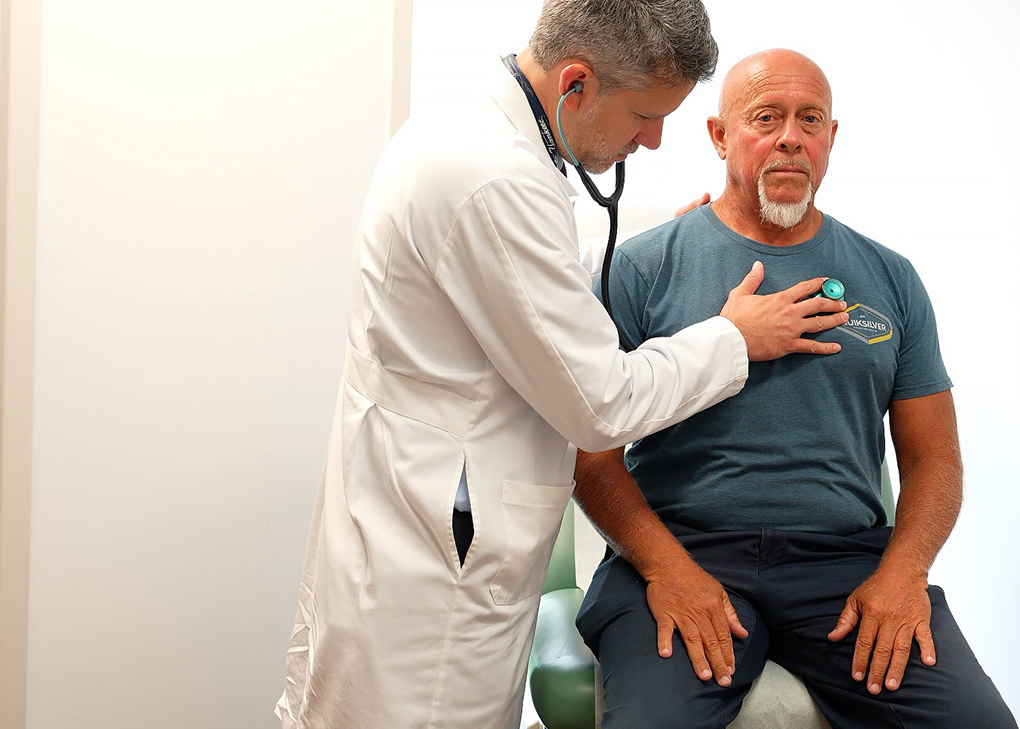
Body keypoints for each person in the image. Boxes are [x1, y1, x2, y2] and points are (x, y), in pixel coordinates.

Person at [274, 3, 854, 727]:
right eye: (644, 114)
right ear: (575, 83)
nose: (652, 138)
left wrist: (640, 258)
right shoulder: (493, 177)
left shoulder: (484, 127)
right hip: (435, 549)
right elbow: (599, 402)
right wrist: (735, 337)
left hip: (417, 503)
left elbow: (514, 289)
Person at [572, 49, 1018, 728]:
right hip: (684, 547)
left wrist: (905, 571)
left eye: (810, 119)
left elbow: (935, 458)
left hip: (843, 563)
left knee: (978, 722)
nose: (791, 136)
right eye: (766, 117)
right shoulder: (640, 267)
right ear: (721, 136)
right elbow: (588, 452)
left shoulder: (891, 278)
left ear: (831, 139)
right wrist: (667, 569)